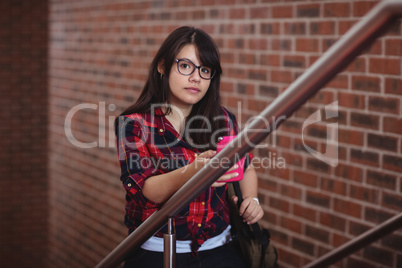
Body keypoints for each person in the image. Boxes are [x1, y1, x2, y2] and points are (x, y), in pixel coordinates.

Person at [115, 26, 263, 268]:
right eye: (185, 66)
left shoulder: (224, 119)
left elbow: (245, 168)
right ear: (163, 66)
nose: (196, 77)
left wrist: (252, 200)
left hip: (220, 248)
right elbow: (145, 190)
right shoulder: (133, 124)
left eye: (205, 70)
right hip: (156, 251)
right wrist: (195, 171)